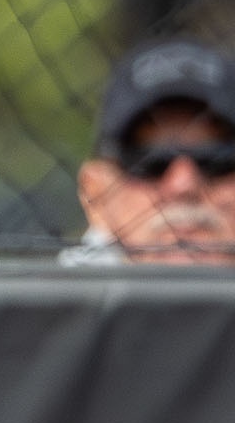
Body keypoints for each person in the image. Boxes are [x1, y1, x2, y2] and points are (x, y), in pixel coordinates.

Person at [63, 37, 235, 265]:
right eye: (151, 162)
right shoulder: (54, 299)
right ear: (94, 195)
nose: (183, 184)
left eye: (214, 159)